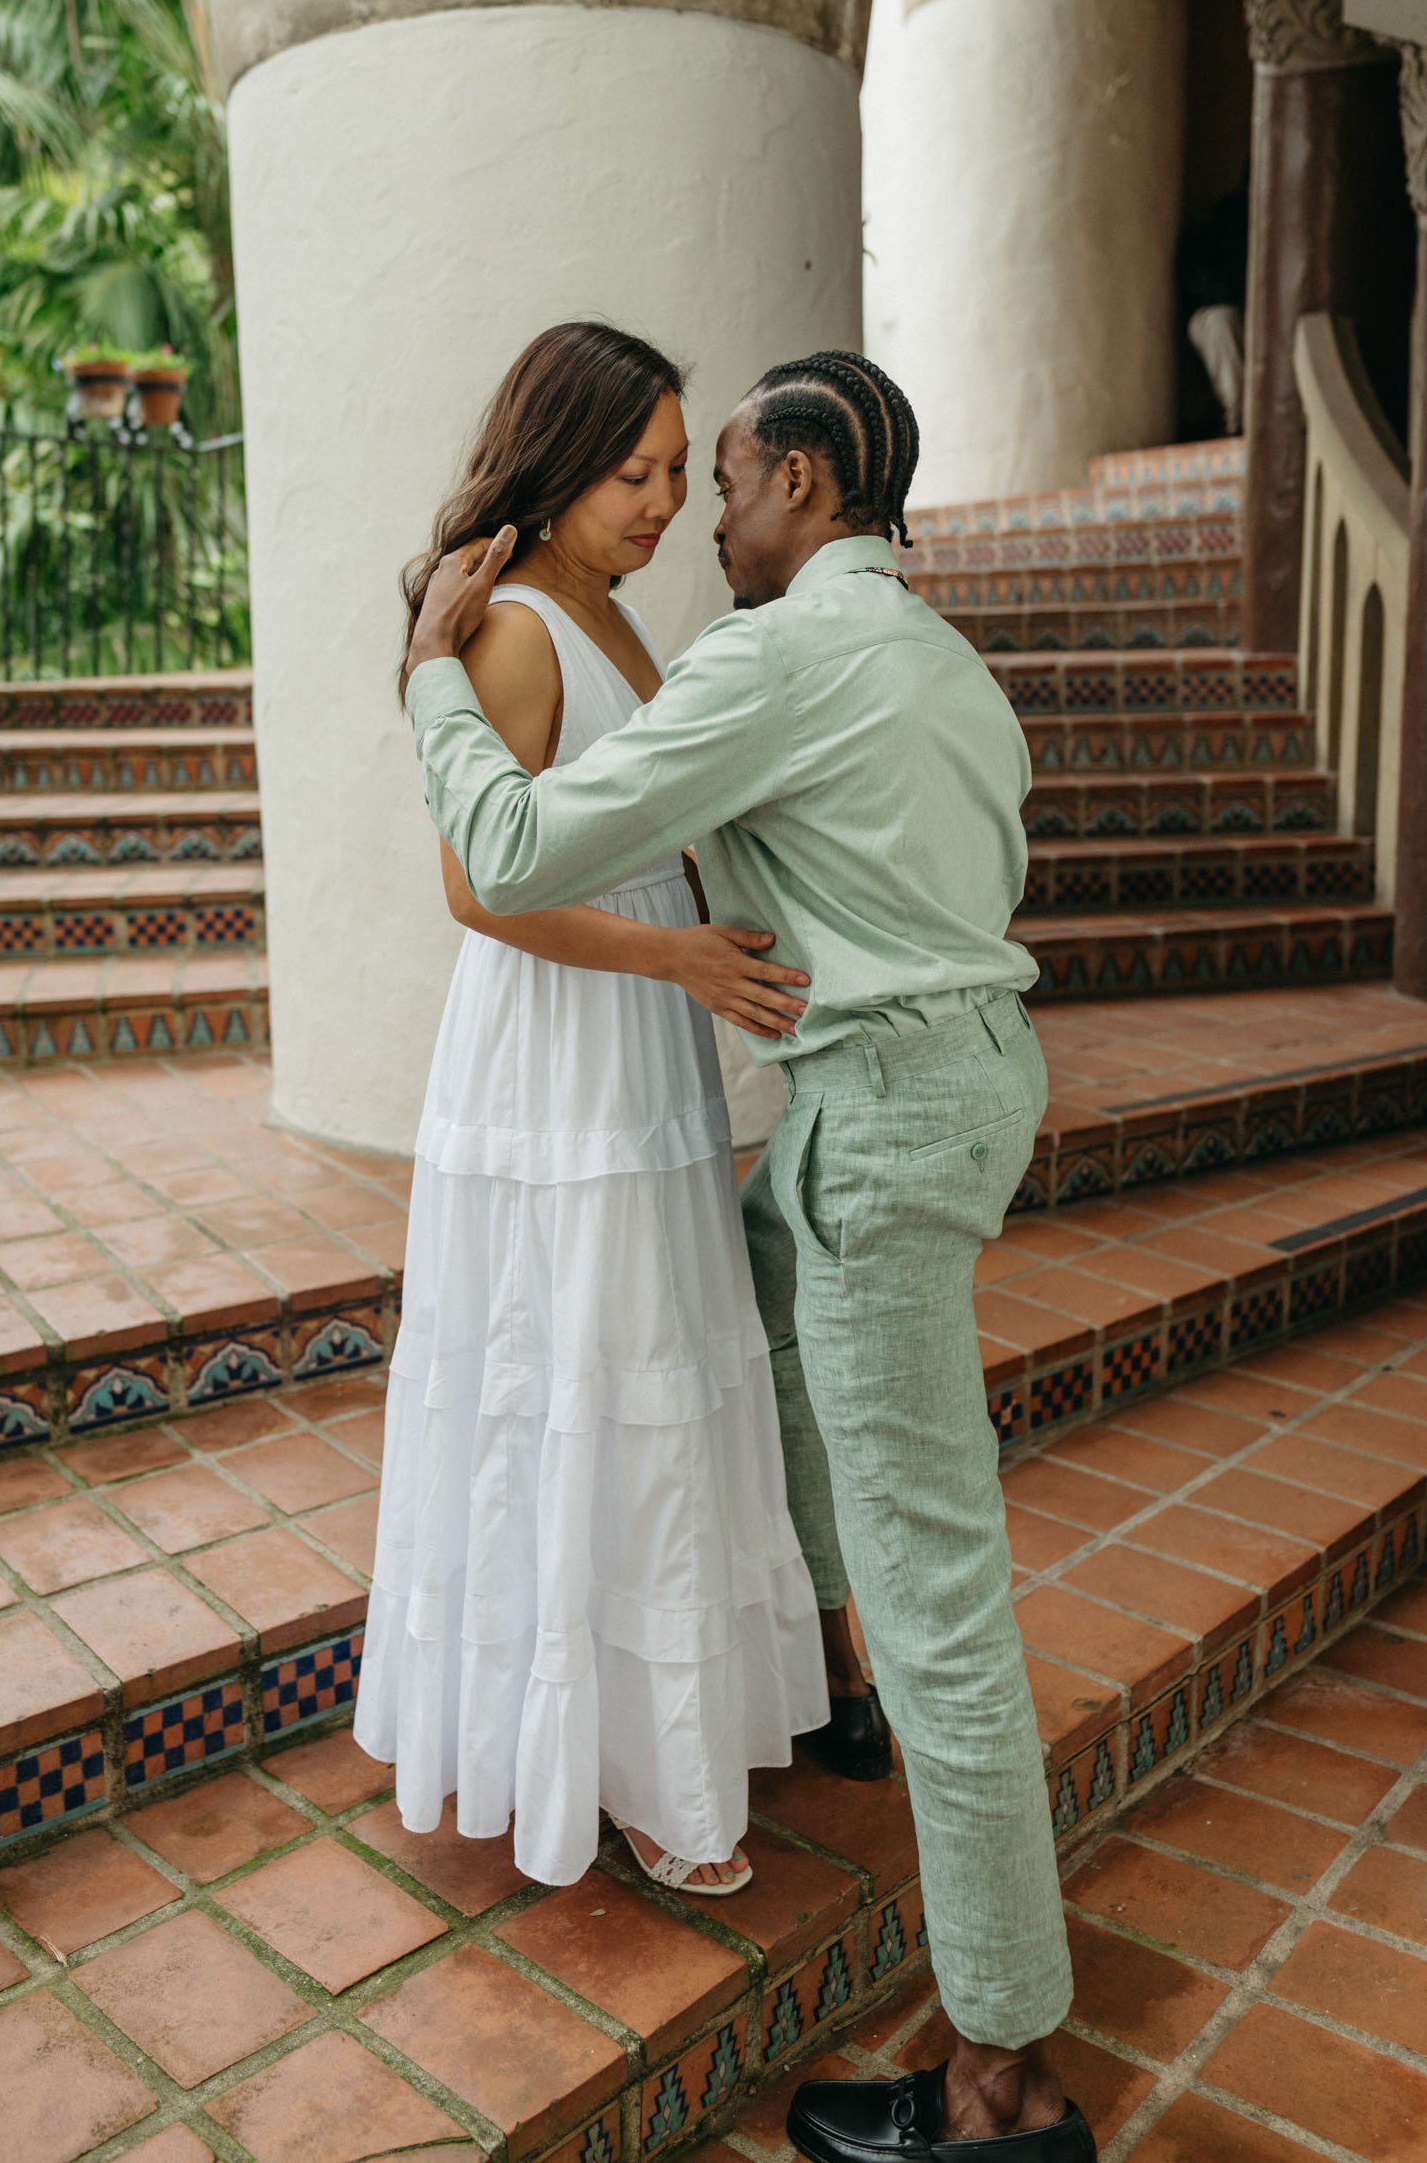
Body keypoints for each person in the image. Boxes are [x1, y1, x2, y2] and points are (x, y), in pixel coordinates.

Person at [401, 347, 1095, 2162]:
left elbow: (506, 840)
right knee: (749, 1320)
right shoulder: (945, 660)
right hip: (954, 1085)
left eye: (716, 478)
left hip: (877, 1115)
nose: (702, 515)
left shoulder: (776, 654)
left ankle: (1004, 2074)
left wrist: (426, 679)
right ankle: (824, 1679)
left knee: (947, 1601)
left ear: (798, 478)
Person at [354, 320, 832, 1899]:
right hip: (561, 1053)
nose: (661, 501)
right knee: (573, 1381)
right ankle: (595, 1757)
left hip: (642, 1044)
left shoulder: (619, 625)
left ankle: (647, 1740)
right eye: (634, 471)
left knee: (652, 1377)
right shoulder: (513, 634)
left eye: (680, 471)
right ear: (556, 469)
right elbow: (476, 888)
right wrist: (679, 954)